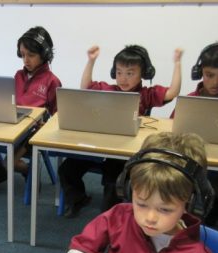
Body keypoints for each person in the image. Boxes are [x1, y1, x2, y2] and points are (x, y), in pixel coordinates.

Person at [66, 132, 218, 253]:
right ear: (130, 191)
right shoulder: (118, 217)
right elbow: (78, 250)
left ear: (191, 204)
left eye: (165, 209)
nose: (150, 218)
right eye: (142, 204)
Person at [59, 44, 183, 217]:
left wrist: (177, 63)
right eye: (119, 73)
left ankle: (108, 217)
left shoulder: (146, 94)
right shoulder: (108, 90)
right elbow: (85, 86)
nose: (123, 78)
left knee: (114, 180)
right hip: (99, 146)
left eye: (130, 73)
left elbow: (172, 92)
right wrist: (91, 61)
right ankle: (78, 198)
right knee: (67, 169)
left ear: (143, 74)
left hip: (122, 153)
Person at [0, 26, 62, 191]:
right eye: (22, 55)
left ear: (45, 55)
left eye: (31, 55)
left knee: (10, 162)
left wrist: (48, 127)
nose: (25, 60)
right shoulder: (18, 76)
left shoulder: (52, 81)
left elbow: (58, 114)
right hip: (11, 122)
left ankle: (26, 170)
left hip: (32, 131)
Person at [173, 42, 218, 226]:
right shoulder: (190, 101)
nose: (215, 82)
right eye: (209, 75)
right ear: (200, 73)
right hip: (195, 159)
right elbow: (174, 129)